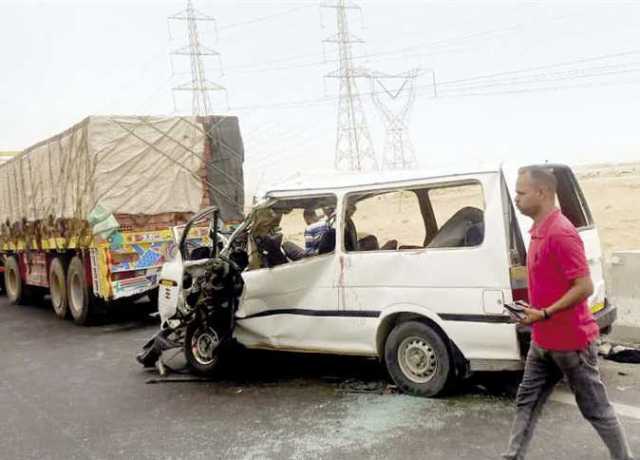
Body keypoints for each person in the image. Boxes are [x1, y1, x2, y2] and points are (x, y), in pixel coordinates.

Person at [502, 166, 634, 460]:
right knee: (526, 402)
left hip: (572, 343)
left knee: (596, 410)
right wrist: (532, 312)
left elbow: (584, 286)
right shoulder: (537, 231)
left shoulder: (561, 233)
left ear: (543, 193)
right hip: (542, 342)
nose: (516, 198)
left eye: (521, 193)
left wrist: (545, 313)